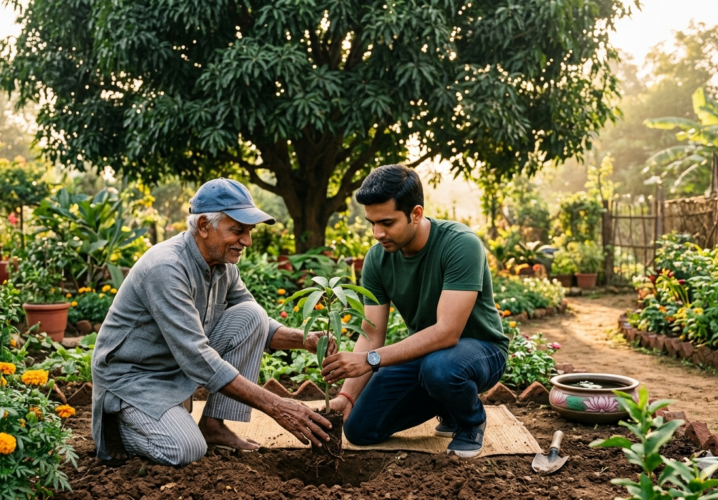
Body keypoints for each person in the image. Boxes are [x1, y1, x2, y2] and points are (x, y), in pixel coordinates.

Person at [91, 178, 334, 466]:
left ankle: (213, 426)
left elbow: (256, 322)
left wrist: (303, 340)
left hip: (173, 367)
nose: (247, 241)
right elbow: (196, 356)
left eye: (249, 231)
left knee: (251, 314)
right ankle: (116, 426)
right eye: (237, 230)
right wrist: (276, 405)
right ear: (204, 225)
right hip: (134, 379)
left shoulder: (222, 265)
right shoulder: (166, 268)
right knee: (185, 450)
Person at [320, 164, 509, 458]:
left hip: (481, 351)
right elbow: (372, 333)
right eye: (371, 222)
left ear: (416, 213)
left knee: (442, 369)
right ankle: (445, 404)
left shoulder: (460, 244)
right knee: (359, 430)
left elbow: (447, 332)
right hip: (427, 356)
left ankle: (470, 422)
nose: (377, 233)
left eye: (386, 222)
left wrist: (370, 361)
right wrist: (347, 395)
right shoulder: (376, 259)